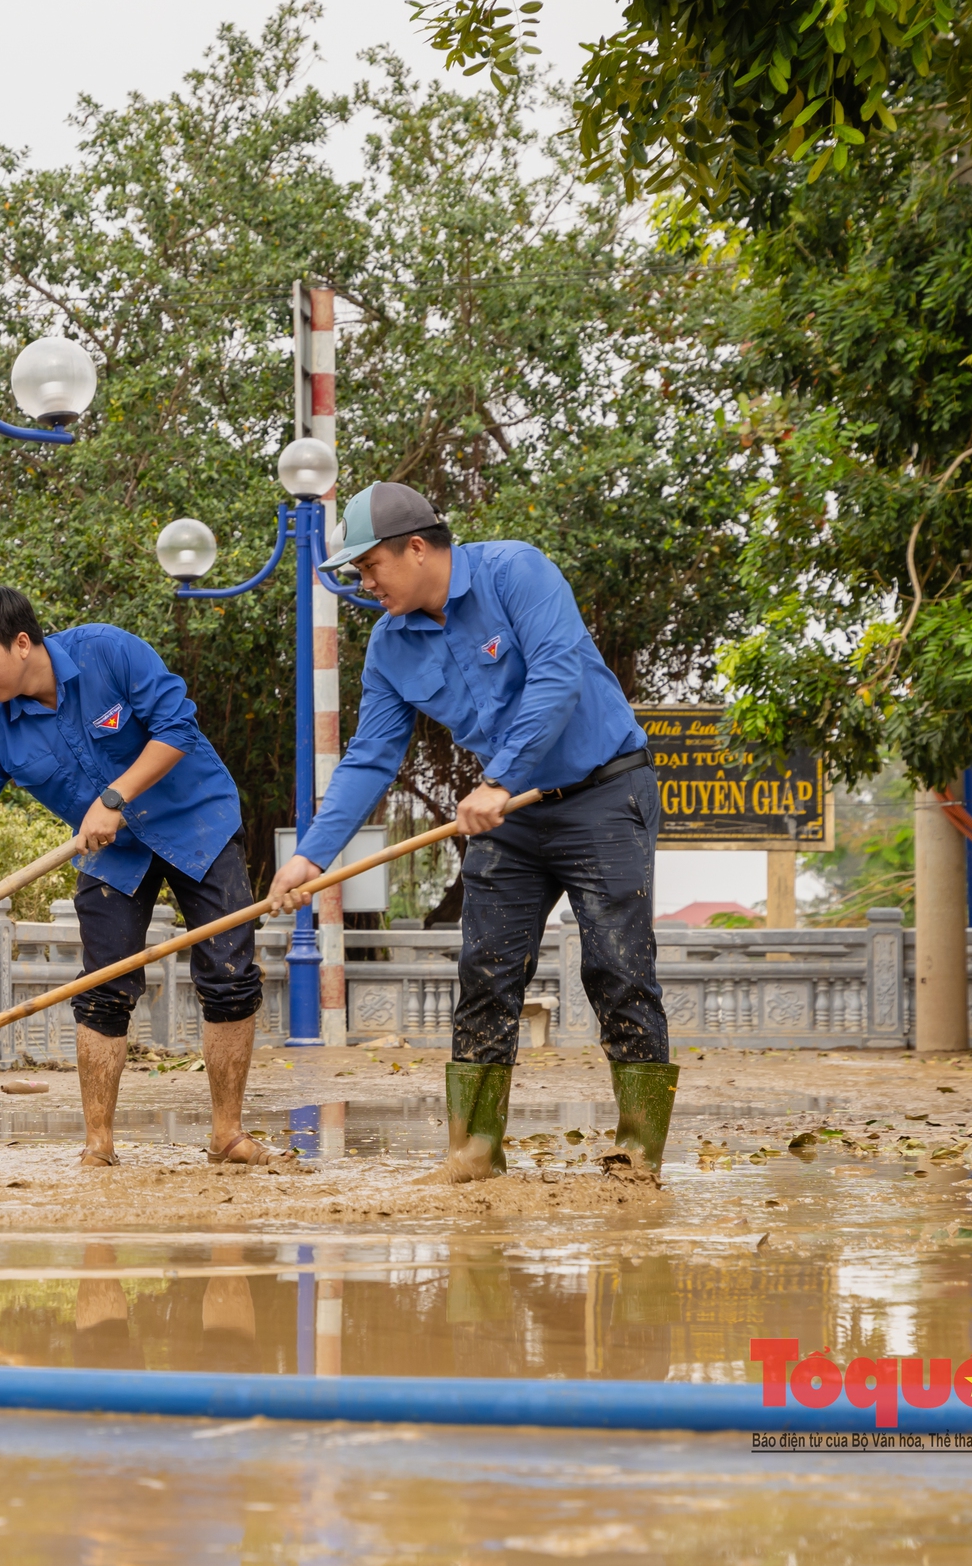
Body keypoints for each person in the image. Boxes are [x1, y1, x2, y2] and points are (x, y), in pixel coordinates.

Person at [264, 482, 675, 1183]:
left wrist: (499, 780)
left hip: (602, 794)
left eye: (371, 568)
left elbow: (556, 676)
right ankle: (474, 1151)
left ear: (417, 548)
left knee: (617, 965)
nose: (365, 584)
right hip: (511, 820)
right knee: (485, 971)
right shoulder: (391, 646)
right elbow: (370, 757)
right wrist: (309, 856)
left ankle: (637, 1152)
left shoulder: (518, 572)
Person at [0, 585, 272, 1167]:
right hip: (112, 854)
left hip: (198, 824)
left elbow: (178, 728)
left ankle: (227, 1135)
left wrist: (114, 796)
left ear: (23, 643)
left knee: (229, 973)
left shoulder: (109, 652)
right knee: (102, 988)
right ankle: (98, 1146)